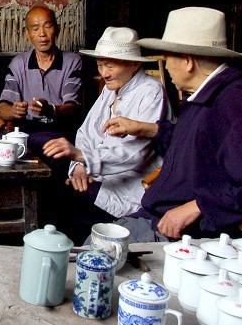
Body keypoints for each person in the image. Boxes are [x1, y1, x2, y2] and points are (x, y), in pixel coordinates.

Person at [102, 7, 242, 243]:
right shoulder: (204, 96)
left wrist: (198, 207)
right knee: (91, 246)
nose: (166, 66)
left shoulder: (235, 102)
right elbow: (195, 145)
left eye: (167, 57)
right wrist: (145, 128)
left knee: (93, 258)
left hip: (186, 235)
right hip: (154, 215)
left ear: (188, 61)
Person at [40, 27, 173, 242]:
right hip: (97, 175)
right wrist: (80, 167)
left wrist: (82, 157)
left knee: (62, 204)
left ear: (134, 64)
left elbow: (135, 152)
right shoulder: (110, 89)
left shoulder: (151, 92)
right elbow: (86, 132)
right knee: (55, 190)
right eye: (100, 65)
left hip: (131, 186)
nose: (104, 73)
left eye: (110, 65)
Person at [0, 6, 83, 148]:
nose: (42, 34)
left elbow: (73, 108)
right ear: (27, 34)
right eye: (35, 29)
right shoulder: (18, 63)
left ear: (57, 29)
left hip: (60, 132)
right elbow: (1, 106)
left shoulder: (72, 61)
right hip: (26, 132)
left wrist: (51, 110)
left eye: (47, 26)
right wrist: (13, 111)